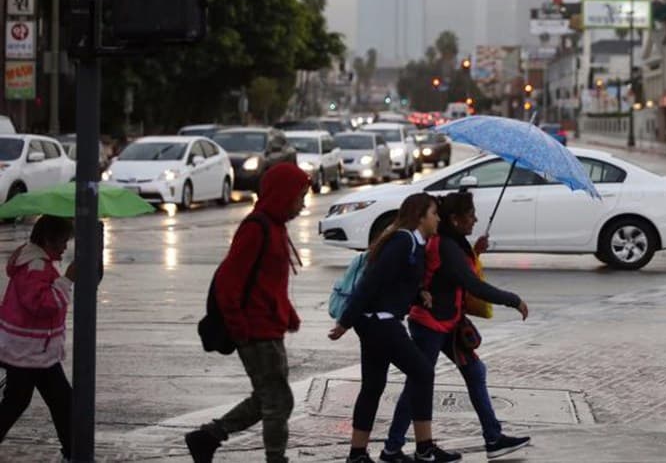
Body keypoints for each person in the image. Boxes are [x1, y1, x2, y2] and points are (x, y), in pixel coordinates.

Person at [380, 192, 530, 463]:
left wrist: (476, 251)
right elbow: (472, 284)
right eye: (470, 214)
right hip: (431, 325)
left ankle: (493, 438)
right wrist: (513, 300)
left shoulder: (453, 243)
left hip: (448, 322)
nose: (475, 219)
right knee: (417, 384)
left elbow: (457, 273)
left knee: (474, 371)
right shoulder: (446, 245)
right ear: (455, 219)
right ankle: (392, 448)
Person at [185, 162, 310, 463]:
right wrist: (239, 327)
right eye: (299, 198)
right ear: (282, 195)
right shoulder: (256, 227)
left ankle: (208, 436)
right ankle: (274, 458)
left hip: (270, 326)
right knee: (278, 401)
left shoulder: (276, 227)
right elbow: (231, 280)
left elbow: (269, 282)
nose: (303, 205)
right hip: (255, 330)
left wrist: (287, 313)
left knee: (268, 397)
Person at [328, 193, 461, 463]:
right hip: (379, 322)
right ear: (421, 215)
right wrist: (345, 321)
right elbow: (371, 282)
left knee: (374, 385)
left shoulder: (413, 243)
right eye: (434, 213)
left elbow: (395, 283)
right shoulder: (402, 241)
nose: (438, 219)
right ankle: (424, 449)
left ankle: (357, 454)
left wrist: (418, 294)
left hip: (376, 321)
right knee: (423, 372)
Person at [0, 215, 76, 462]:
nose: (65, 247)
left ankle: (73, 451)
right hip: (28, 352)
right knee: (28, 401)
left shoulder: (36, 262)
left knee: (57, 401)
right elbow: (42, 304)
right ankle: (74, 452)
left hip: (33, 351)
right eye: (63, 241)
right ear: (48, 239)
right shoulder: (35, 266)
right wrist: (67, 280)